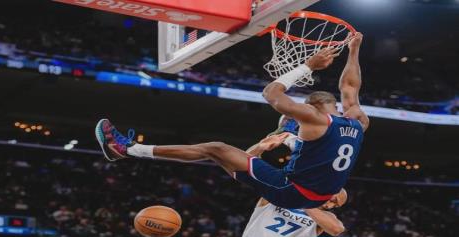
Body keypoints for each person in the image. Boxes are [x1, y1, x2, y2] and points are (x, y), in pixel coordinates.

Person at [95, 35, 367, 211]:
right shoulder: (356, 120)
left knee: (216, 149)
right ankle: (283, 141)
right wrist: (353, 51)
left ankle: (127, 149)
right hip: (317, 193)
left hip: (293, 190)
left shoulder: (312, 117)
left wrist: (308, 66)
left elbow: (271, 93)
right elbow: (350, 87)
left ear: (309, 109)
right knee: (223, 154)